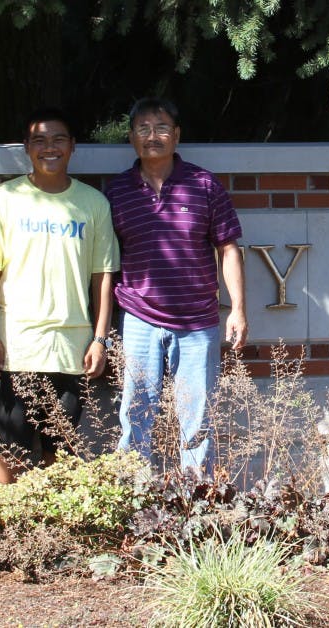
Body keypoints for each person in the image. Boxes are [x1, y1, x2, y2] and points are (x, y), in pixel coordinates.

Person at [105, 97, 247, 471]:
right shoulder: (117, 192)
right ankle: (134, 498)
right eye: (143, 129)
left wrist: (238, 310)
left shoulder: (203, 184)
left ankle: (196, 503)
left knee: (197, 418)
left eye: (162, 128)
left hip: (197, 320)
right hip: (138, 317)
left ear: (177, 135)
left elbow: (228, 248)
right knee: (135, 415)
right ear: (132, 137)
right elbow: (104, 263)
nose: (153, 136)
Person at [0, 107, 120, 483]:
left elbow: (103, 276)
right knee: (9, 446)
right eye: (40, 140)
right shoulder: (4, 198)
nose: (50, 147)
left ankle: (53, 527)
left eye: (58, 139)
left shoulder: (94, 203)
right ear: (27, 147)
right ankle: (9, 527)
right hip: (16, 343)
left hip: (71, 345)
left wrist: (99, 338)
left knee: (59, 448)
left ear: (73, 146)